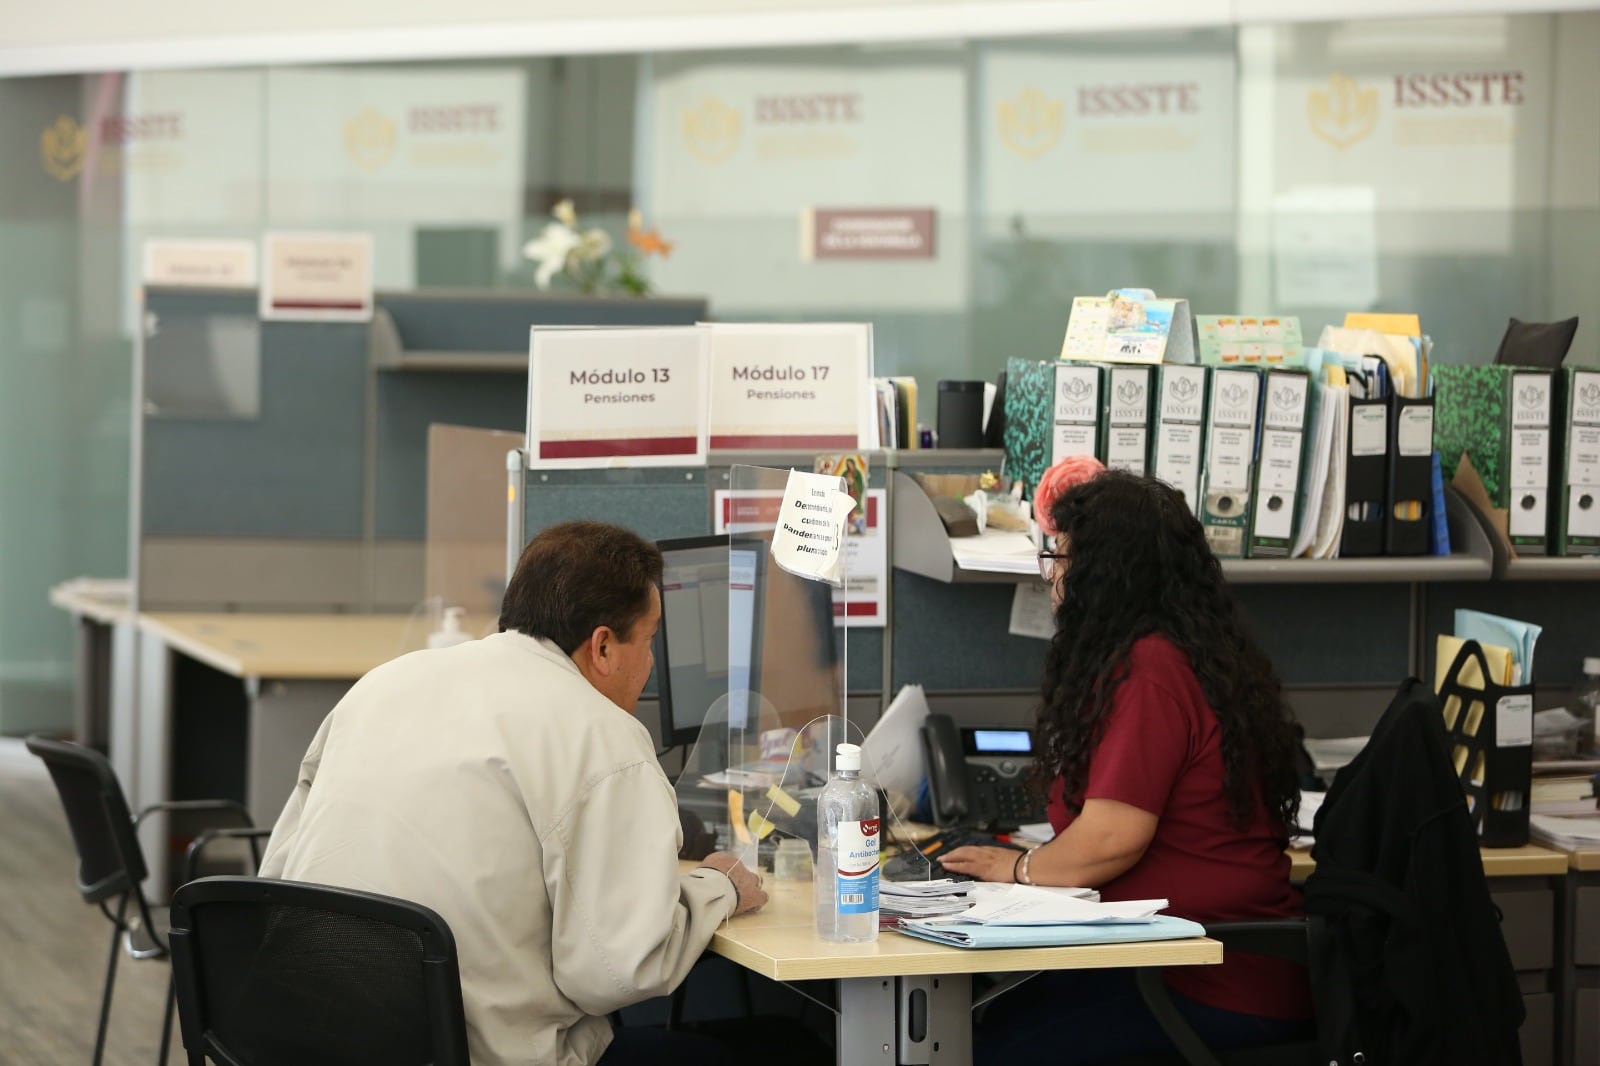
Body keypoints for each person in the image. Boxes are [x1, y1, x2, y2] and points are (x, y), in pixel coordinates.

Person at [258, 520, 767, 1066]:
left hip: (302, 1041)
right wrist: (720, 887)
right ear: (602, 646)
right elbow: (621, 971)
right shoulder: (601, 735)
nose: (649, 663)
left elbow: (276, 878)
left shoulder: (380, 685)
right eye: (649, 639)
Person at [940, 470, 1313, 1064]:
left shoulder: (1151, 670)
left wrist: (1018, 867)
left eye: (1059, 556)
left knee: (981, 1050)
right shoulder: (1192, 654)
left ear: (1102, 572)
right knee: (984, 1021)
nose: (1051, 573)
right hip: (1171, 961)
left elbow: (1111, 840)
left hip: (1205, 978)